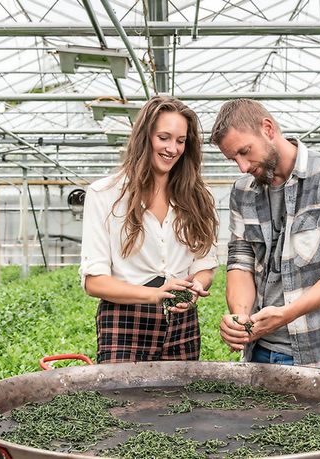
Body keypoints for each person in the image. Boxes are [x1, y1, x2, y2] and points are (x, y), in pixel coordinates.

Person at [210, 99, 320, 369]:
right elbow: (241, 262)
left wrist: (286, 314)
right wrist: (240, 319)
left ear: (268, 128)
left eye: (245, 151)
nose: (242, 166)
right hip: (260, 349)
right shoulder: (243, 191)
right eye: (233, 159)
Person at [79, 96, 219, 363]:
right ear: (145, 137)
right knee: (123, 402)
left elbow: (205, 263)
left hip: (182, 322)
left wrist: (195, 286)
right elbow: (94, 281)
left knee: (181, 400)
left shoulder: (199, 197)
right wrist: (154, 294)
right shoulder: (105, 195)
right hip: (125, 321)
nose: (172, 148)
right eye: (164, 138)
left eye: (181, 141)